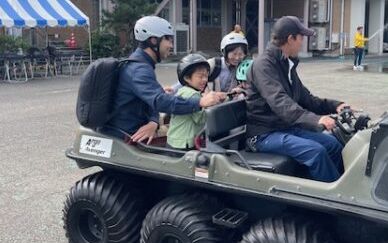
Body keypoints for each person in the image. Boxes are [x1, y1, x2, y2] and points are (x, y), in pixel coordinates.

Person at [245, 15, 349, 183]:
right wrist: (316, 119)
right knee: (316, 151)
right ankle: (333, 199)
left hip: (285, 127)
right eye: (301, 37)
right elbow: (280, 102)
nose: (302, 42)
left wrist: (336, 105)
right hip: (263, 134)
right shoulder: (263, 65)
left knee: (333, 145)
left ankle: (338, 183)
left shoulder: (287, 64)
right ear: (290, 39)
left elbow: (306, 98)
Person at [104, 16, 225, 144]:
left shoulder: (140, 64)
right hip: (129, 134)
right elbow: (160, 101)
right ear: (153, 40)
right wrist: (200, 102)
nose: (171, 45)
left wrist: (153, 121)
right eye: (168, 40)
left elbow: (152, 100)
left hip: (137, 127)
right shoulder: (139, 69)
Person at [167, 54, 211, 149]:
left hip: (174, 140)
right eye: (200, 76)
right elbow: (200, 119)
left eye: (206, 76)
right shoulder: (193, 94)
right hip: (184, 143)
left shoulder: (182, 90)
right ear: (186, 77)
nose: (205, 80)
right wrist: (209, 104)